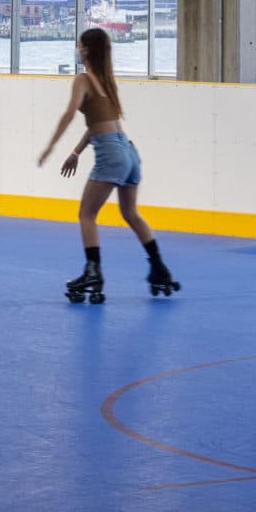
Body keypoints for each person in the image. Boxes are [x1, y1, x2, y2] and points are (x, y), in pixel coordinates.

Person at [37, 26, 178, 304]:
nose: (77, 49)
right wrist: (76, 151)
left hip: (112, 154)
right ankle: (159, 267)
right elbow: (100, 125)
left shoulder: (83, 80)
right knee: (130, 213)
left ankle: (93, 272)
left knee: (86, 214)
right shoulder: (106, 82)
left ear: (87, 49)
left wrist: (51, 146)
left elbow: (69, 113)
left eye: (80, 45)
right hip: (129, 153)